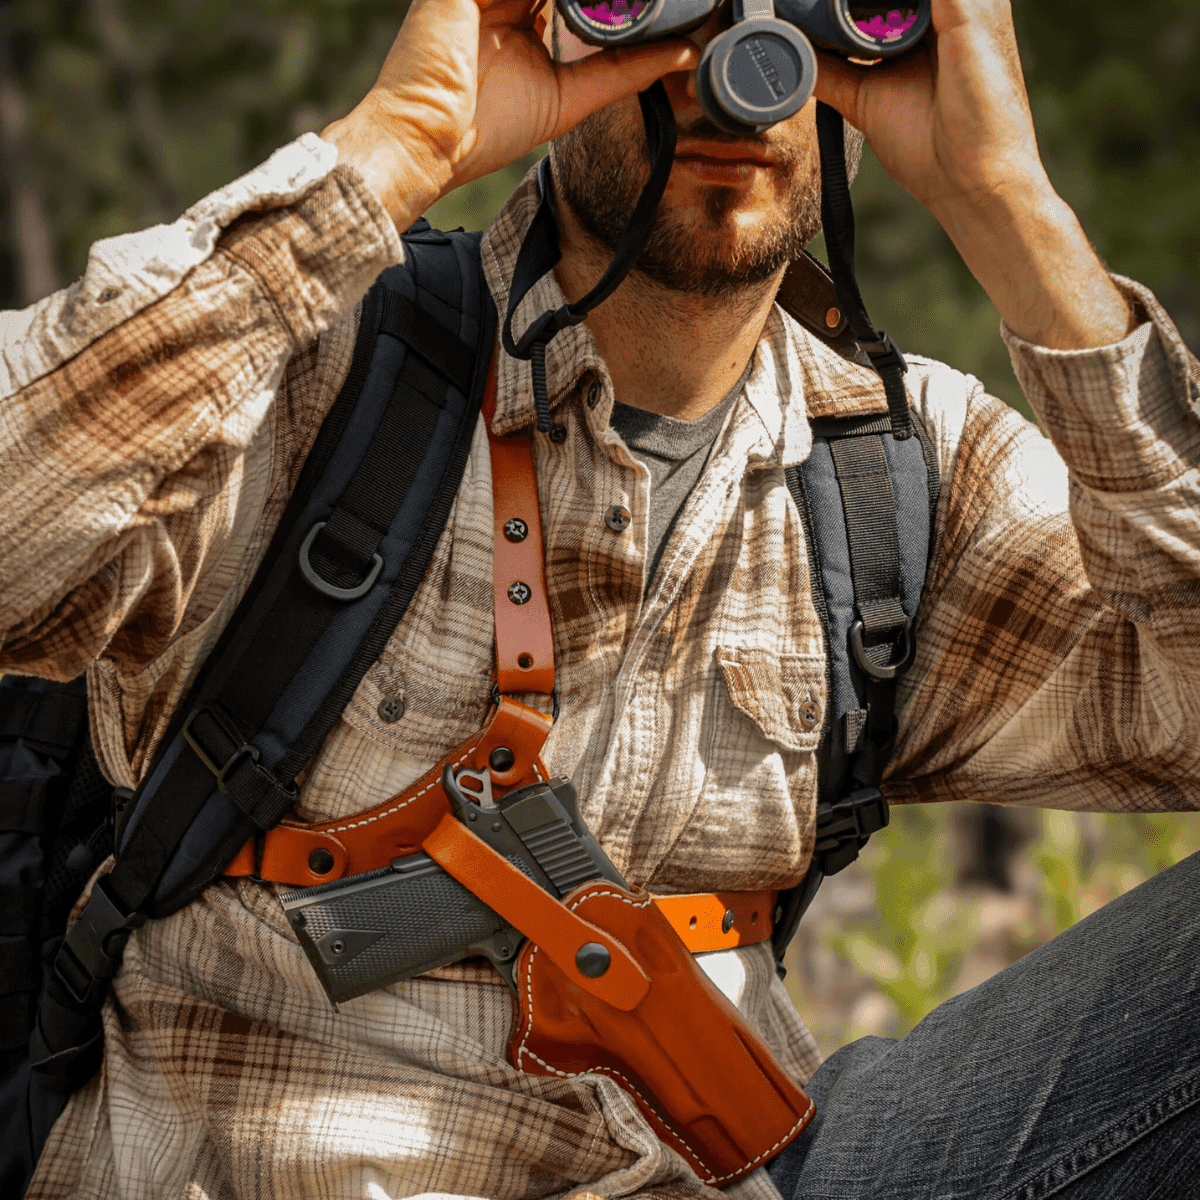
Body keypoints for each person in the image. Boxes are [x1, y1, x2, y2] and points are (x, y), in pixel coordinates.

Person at [3, 0, 1197, 1196]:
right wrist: (389, 152)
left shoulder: (897, 470)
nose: (736, 70)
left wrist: (1009, 208)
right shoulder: (327, 366)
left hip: (737, 1168)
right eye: (655, 7)